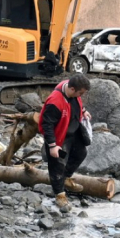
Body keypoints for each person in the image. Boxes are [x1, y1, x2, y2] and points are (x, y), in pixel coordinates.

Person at [40, 74, 91, 209]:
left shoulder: (71, 88)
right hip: (59, 137)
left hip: (73, 131)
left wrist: (83, 111)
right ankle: (60, 196)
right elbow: (47, 125)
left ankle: (66, 178)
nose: (81, 95)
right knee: (57, 165)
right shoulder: (55, 102)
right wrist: (52, 146)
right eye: (80, 93)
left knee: (81, 153)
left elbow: (77, 101)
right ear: (72, 89)